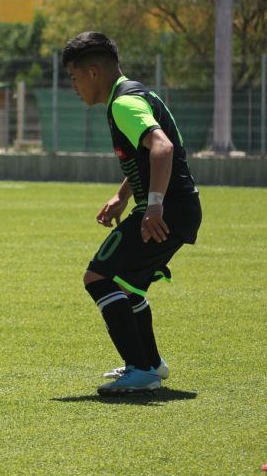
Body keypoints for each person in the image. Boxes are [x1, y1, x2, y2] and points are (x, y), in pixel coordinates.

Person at [61, 32, 202, 395]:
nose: (74, 87)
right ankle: (150, 363)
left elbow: (162, 147)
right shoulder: (135, 93)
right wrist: (123, 196)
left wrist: (153, 205)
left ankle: (142, 370)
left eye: (74, 78)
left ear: (93, 72)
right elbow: (143, 153)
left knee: (98, 277)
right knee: (129, 284)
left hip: (166, 209)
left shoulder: (123, 104)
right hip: (178, 208)